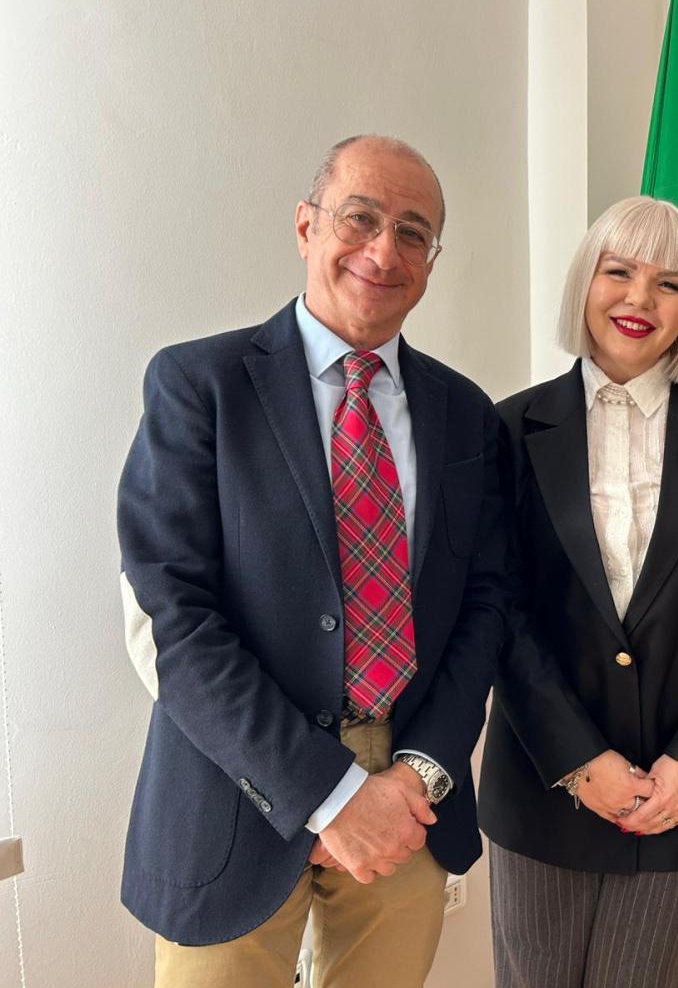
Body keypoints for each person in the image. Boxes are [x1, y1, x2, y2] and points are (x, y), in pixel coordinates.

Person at [116, 134, 507, 986]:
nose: (383, 252)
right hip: (234, 796)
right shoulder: (199, 385)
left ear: (432, 261)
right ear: (305, 226)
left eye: (413, 233)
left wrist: (419, 774)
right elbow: (173, 617)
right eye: (359, 218)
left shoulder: (468, 416)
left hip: (409, 803)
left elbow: (483, 609)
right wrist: (329, 798)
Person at [479, 196, 678, 988]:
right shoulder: (509, 427)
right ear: (584, 282)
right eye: (618, 273)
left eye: (669, 283)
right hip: (543, 776)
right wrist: (579, 761)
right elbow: (499, 607)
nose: (639, 299)